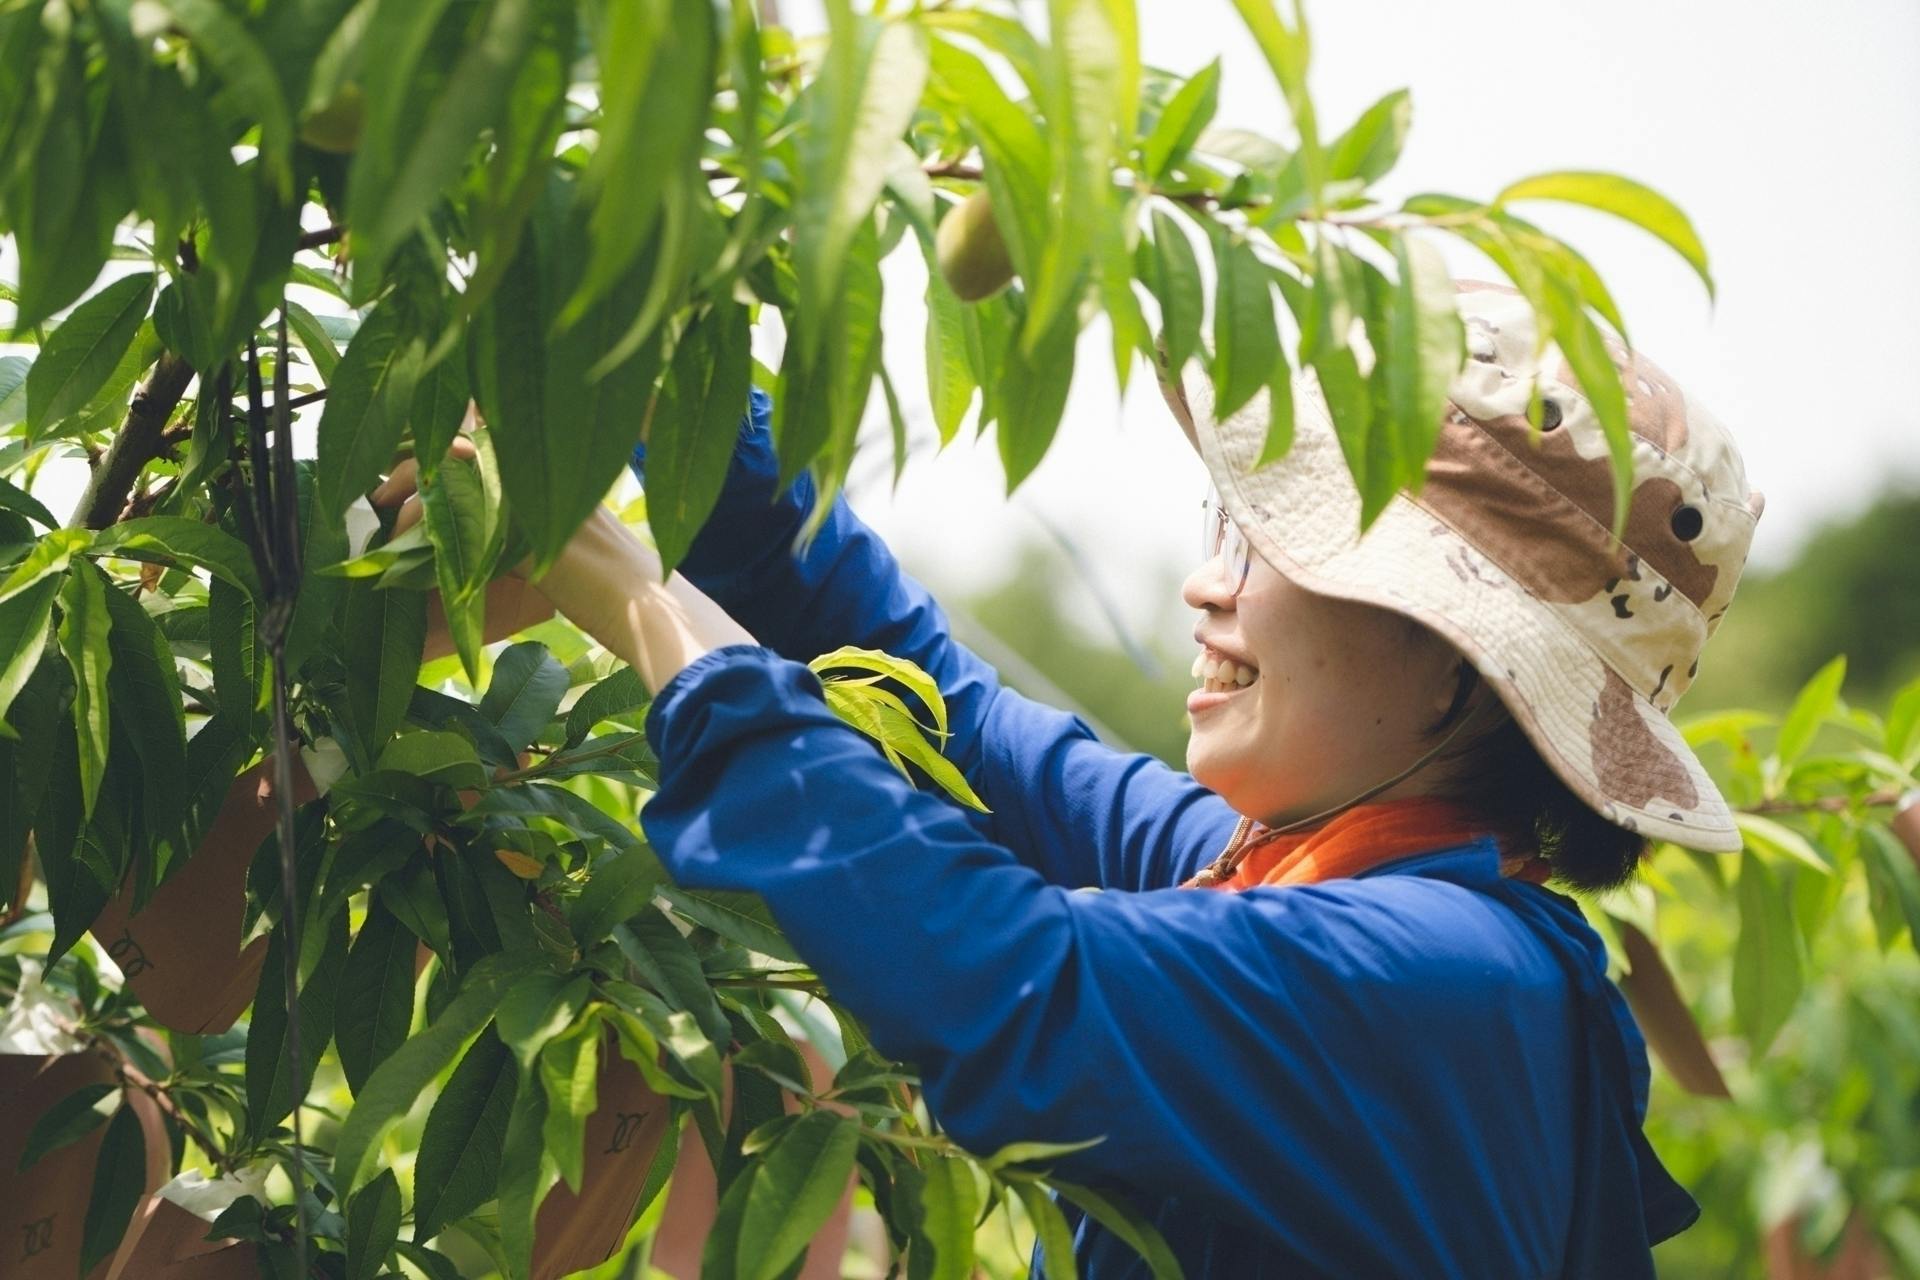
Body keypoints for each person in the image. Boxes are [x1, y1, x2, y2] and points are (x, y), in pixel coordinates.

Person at [377, 280, 1764, 1277]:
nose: (1206, 584)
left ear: (1466, 665)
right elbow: (943, 706)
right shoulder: (1311, 874)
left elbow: (1003, 975)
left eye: (1282, 548)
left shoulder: (1432, 975)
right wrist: (646, 327)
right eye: (1230, 521)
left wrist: (630, 597)